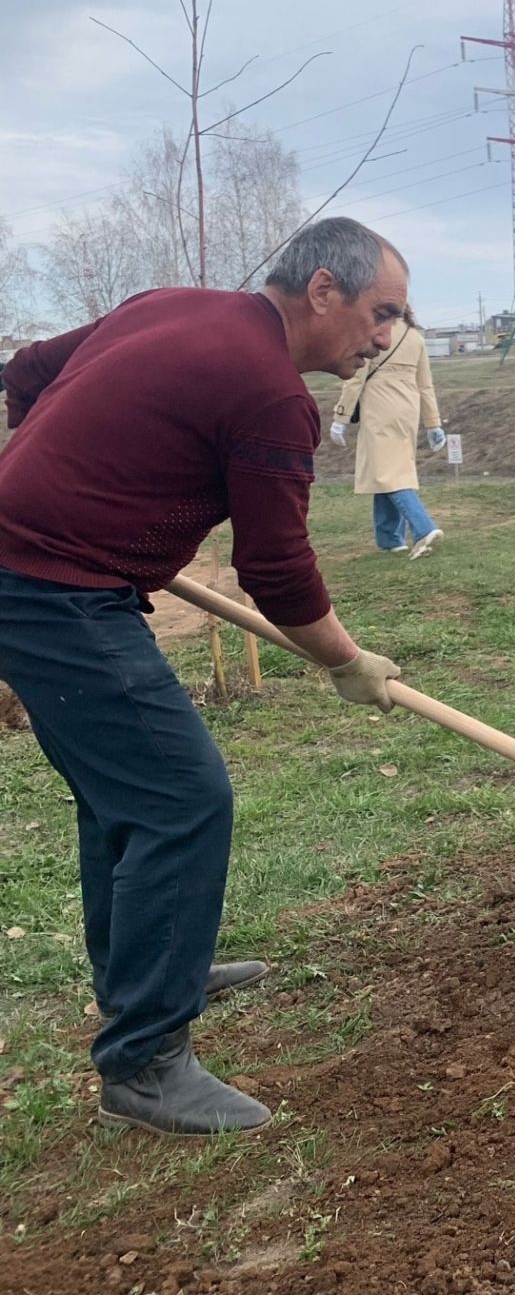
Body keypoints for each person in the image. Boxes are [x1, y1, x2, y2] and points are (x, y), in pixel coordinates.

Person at [0, 217, 410, 1134]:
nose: (384, 338)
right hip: (52, 591)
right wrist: (347, 665)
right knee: (181, 800)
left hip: (40, 573)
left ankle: (155, 973)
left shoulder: (170, 304)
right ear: (321, 291)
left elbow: (26, 371)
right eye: (380, 313)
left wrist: (45, 473)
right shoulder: (270, 394)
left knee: (126, 800)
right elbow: (276, 570)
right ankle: (145, 1064)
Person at [330, 304, 446, 558]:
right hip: (408, 408)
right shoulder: (415, 336)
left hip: (380, 407)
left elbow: (356, 378)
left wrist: (341, 417)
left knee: (388, 473)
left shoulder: (374, 333)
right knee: (388, 469)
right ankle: (390, 539)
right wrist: (433, 423)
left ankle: (423, 528)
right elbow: (425, 385)